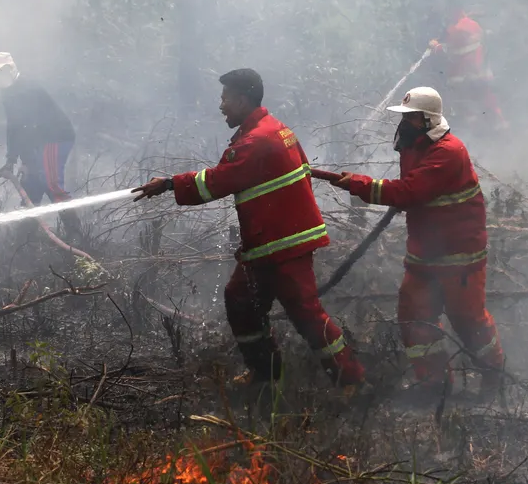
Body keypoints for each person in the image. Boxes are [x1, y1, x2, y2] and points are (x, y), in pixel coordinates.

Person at [132, 68, 365, 391]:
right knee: (240, 299)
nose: (221, 105)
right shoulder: (275, 130)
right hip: (268, 243)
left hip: (284, 245)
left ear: (242, 100)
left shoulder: (256, 140)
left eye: (225, 98)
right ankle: (265, 374)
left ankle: (351, 382)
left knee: (307, 314)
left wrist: (170, 184)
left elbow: (215, 182)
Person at [329, 86, 505, 402]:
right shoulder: (414, 145)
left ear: (427, 119)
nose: (404, 123)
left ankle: (494, 379)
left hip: (459, 254)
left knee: (468, 320)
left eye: (411, 117)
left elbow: (409, 192)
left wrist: (359, 184)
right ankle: (434, 385)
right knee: (414, 317)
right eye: (404, 116)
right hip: (425, 251)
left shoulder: (449, 152)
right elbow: (413, 192)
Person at [0, 52, 80, 236]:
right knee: (31, 183)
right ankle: (25, 237)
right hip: (37, 139)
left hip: (55, 137)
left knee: (51, 182)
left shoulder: (28, 89)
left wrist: (26, 160)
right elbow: (14, 126)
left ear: (11, 69)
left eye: (0, 73)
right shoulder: (7, 92)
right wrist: (11, 159)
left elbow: (28, 128)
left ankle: (75, 234)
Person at [429, 10, 508, 133]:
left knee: (468, 105)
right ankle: (500, 127)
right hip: (479, 72)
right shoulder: (472, 24)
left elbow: (452, 50)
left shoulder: (457, 28)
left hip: (466, 75)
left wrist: (436, 47)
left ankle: (482, 131)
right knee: (488, 100)